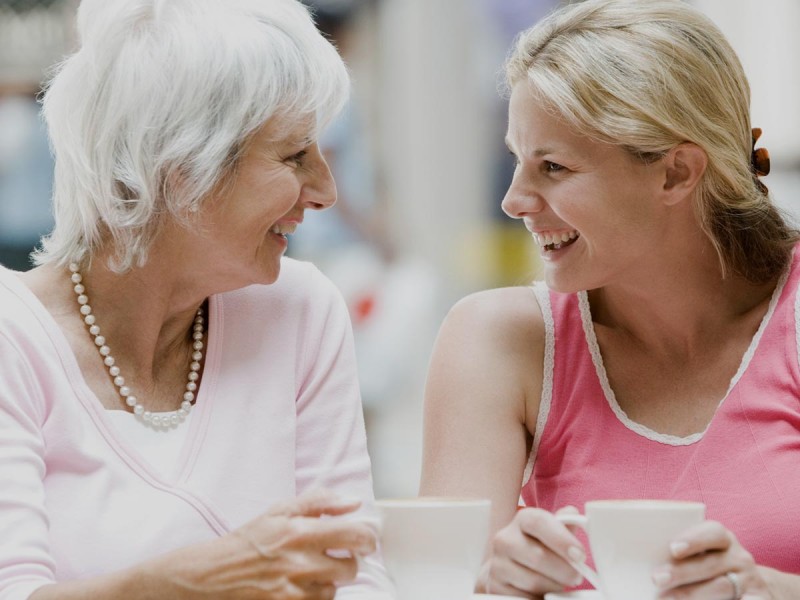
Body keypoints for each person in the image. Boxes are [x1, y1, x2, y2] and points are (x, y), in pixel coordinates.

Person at [0, 0, 392, 598]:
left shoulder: (300, 310)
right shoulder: (13, 337)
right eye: (294, 155)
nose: (326, 191)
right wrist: (191, 582)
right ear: (180, 166)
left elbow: (357, 578)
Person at [420, 1, 800, 599]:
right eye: (519, 161)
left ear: (676, 173)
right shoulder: (499, 340)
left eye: (553, 166)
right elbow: (438, 589)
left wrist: (762, 590)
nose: (514, 201)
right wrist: (492, 583)